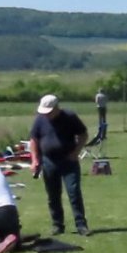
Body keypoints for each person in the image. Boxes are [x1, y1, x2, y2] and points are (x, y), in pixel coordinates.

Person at [29, 93, 91, 236]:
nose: (46, 115)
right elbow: (34, 140)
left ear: (56, 108)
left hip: (69, 161)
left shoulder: (70, 117)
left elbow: (83, 134)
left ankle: (81, 225)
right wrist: (34, 159)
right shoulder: (40, 120)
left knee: (74, 192)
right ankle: (57, 225)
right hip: (49, 161)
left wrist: (76, 152)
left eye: (49, 112)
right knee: (53, 195)